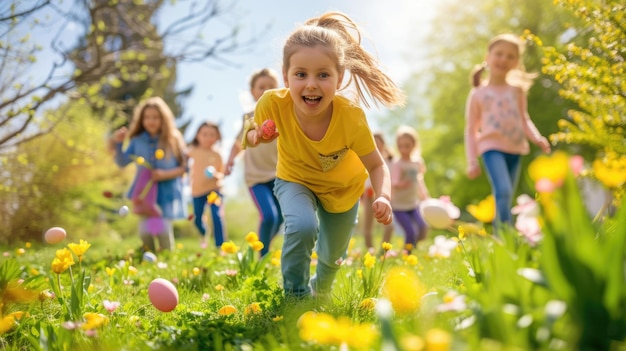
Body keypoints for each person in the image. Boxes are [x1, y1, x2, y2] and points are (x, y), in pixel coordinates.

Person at [242, 12, 405, 298]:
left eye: (323, 75)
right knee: (302, 226)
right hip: (295, 180)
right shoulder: (272, 103)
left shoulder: (351, 117)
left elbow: (377, 165)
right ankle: (295, 294)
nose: (311, 84)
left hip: (343, 190)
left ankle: (322, 288)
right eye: (301, 74)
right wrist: (259, 136)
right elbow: (250, 136)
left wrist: (383, 196)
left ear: (340, 78)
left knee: (332, 254)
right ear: (286, 77)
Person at [464, 33, 551, 226]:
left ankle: (503, 236)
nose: (504, 59)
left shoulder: (517, 90)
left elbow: (524, 118)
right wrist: (471, 161)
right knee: (502, 190)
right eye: (499, 54)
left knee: (507, 194)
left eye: (510, 56)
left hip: (515, 148)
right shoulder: (478, 94)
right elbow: (471, 130)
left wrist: (537, 138)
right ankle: (505, 237)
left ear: (516, 62)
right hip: (491, 148)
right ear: (488, 57)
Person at [110, 96, 187, 252]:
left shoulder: (173, 139)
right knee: (145, 231)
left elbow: (184, 168)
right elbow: (122, 161)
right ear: (141, 119)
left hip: (166, 194)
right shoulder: (137, 141)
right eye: (147, 117)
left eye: (156, 117)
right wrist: (118, 143)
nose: (151, 121)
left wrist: (164, 174)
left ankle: (166, 260)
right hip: (144, 193)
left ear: (164, 119)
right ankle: (149, 257)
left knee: (163, 230)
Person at [224, 68, 283, 256]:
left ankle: (263, 247)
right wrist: (229, 162)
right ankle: (260, 256)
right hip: (255, 178)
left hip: (279, 175)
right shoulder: (249, 116)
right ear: (252, 91)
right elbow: (237, 143)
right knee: (269, 216)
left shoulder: (282, 114)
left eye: (271, 87)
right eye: (261, 87)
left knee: (280, 218)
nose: (266, 90)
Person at [390, 126, 430, 252]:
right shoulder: (398, 164)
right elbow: (393, 181)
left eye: (407, 145)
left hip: (413, 204)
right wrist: (400, 184)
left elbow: (419, 181)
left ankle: (412, 248)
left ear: (414, 145)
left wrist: (425, 196)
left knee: (423, 227)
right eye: (400, 146)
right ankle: (407, 254)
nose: (403, 149)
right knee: (410, 231)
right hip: (399, 206)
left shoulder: (417, 162)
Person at [188, 121, 227, 247]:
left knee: (217, 216)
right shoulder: (192, 151)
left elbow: (222, 174)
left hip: (214, 190)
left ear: (217, 137)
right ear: (198, 136)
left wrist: (216, 174)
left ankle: (220, 246)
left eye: (212, 135)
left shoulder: (218, 154)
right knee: (197, 220)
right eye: (204, 134)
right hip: (197, 191)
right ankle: (205, 232)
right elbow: (182, 162)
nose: (208, 138)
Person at [360, 132, 394, 252]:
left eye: (379, 143)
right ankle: (370, 249)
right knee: (368, 225)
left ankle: (384, 250)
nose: (377, 146)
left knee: (389, 225)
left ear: (384, 145)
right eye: (374, 143)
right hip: (369, 195)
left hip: (385, 197)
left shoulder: (390, 161)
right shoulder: (364, 159)